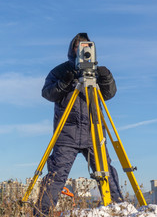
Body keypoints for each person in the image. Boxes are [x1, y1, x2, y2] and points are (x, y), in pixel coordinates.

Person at [34, 33, 123, 216]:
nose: (82, 49)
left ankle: (119, 208)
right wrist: (64, 82)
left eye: (86, 46)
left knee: (106, 172)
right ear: (72, 49)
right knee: (56, 176)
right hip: (67, 133)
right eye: (78, 46)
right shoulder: (60, 71)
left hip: (94, 132)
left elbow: (109, 94)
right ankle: (41, 212)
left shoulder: (96, 71)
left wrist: (105, 77)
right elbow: (47, 93)